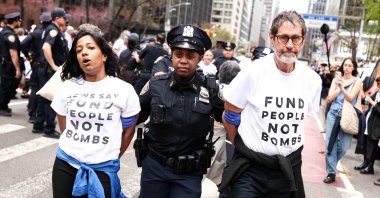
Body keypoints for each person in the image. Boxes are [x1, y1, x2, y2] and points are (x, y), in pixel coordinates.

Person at [219, 10, 321, 197]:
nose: (289, 45)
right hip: (250, 170)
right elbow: (229, 114)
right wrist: (243, 148)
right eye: (283, 38)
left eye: (295, 38)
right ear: (272, 38)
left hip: (287, 170)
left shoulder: (312, 80)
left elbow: (301, 120)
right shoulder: (253, 72)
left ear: (303, 39)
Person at [50, 23, 140, 198]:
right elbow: (64, 123)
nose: (84, 52)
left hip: (103, 168)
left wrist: (110, 155)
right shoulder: (68, 87)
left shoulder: (124, 90)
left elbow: (129, 130)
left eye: (90, 48)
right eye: (78, 50)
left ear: (104, 55)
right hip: (65, 164)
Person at [137, 24, 222, 198]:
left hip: (189, 173)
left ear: (199, 58)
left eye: (190, 56)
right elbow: (133, 118)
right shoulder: (155, 85)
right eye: (178, 55)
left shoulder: (211, 89)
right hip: (155, 168)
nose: (183, 60)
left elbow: (228, 119)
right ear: (172, 56)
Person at [323, 57, 362, 183]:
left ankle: (332, 162)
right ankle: (331, 172)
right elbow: (330, 98)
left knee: (345, 146)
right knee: (330, 144)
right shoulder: (336, 80)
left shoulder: (357, 81)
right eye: (345, 65)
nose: (347, 67)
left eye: (350, 65)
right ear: (342, 66)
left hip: (347, 115)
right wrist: (339, 86)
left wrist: (342, 88)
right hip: (333, 114)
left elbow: (350, 98)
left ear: (354, 67)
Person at [32, 8, 68, 138]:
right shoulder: (53, 30)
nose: (65, 20)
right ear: (57, 18)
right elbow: (46, 47)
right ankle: (49, 128)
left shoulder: (50, 29)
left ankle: (38, 125)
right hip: (50, 70)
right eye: (64, 18)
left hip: (45, 68)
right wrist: (53, 65)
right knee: (52, 98)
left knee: (44, 98)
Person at [21, 12, 52, 123]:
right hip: (48, 64)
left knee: (35, 88)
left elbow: (23, 44)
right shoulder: (51, 33)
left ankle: (33, 113)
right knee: (44, 90)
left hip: (36, 62)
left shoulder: (36, 33)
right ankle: (40, 115)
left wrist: (28, 55)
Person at [354, 76, 380, 175]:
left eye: (379, 84)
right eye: (377, 83)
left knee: (372, 145)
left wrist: (372, 102)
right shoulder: (377, 93)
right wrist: (361, 90)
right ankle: (365, 162)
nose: (378, 86)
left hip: (376, 124)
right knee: (365, 142)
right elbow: (366, 100)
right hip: (369, 120)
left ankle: (370, 166)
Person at [0, 12, 23, 117]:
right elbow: (13, 54)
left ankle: (3, 105)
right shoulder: (10, 35)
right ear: (15, 21)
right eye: (19, 20)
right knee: (7, 87)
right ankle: (2, 107)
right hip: (8, 66)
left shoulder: (4, 32)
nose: (20, 22)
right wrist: (17, 69)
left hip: (4, 64)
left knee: (6, 86)